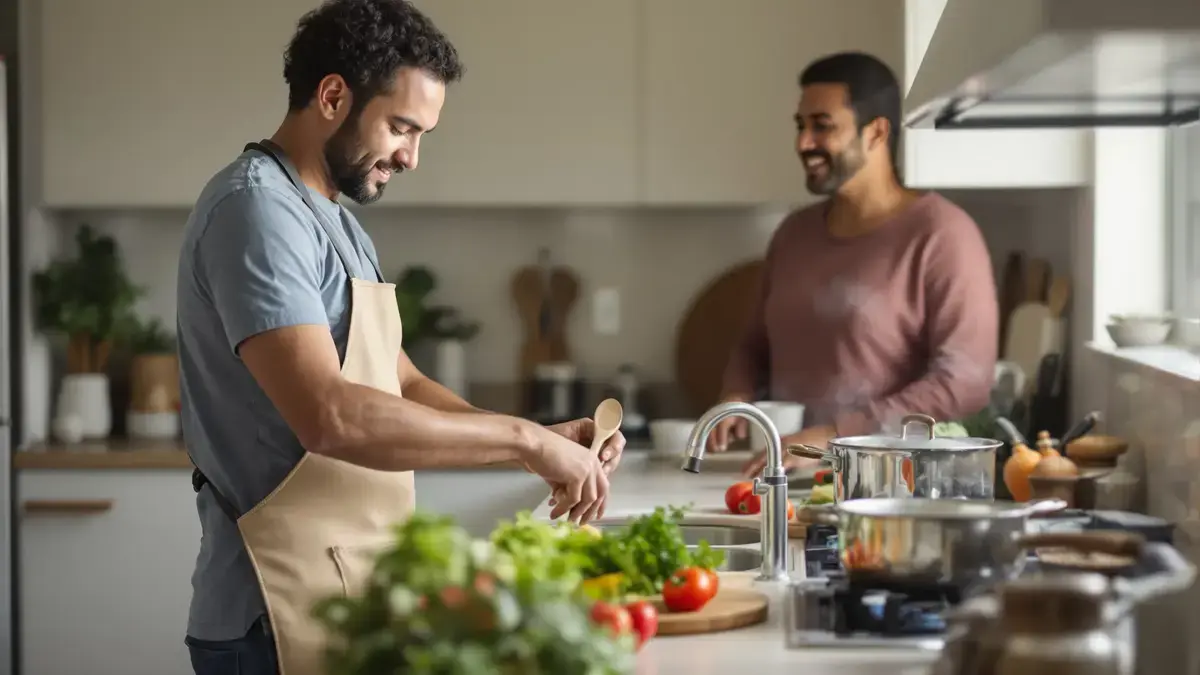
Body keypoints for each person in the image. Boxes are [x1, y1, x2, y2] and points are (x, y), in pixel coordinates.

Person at [174, 1, 624, 673]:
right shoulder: (255, 211)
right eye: (401, 127)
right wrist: (523, 440)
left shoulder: (332, 217)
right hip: (271, 616)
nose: (412, 156)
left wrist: (536, 440)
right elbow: (329, 414)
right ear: (332, 95)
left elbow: (399, 380)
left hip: (348, 589)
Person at [708, 51, 998, 479]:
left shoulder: (943, 234)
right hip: (784, 477)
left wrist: (836, 436)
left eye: (821, 126)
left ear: (876, 132)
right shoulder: (794, 233)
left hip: (891, 487)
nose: (803, 143)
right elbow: (753, 345)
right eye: (800, 126)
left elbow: (963, 384)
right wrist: (736, 394)